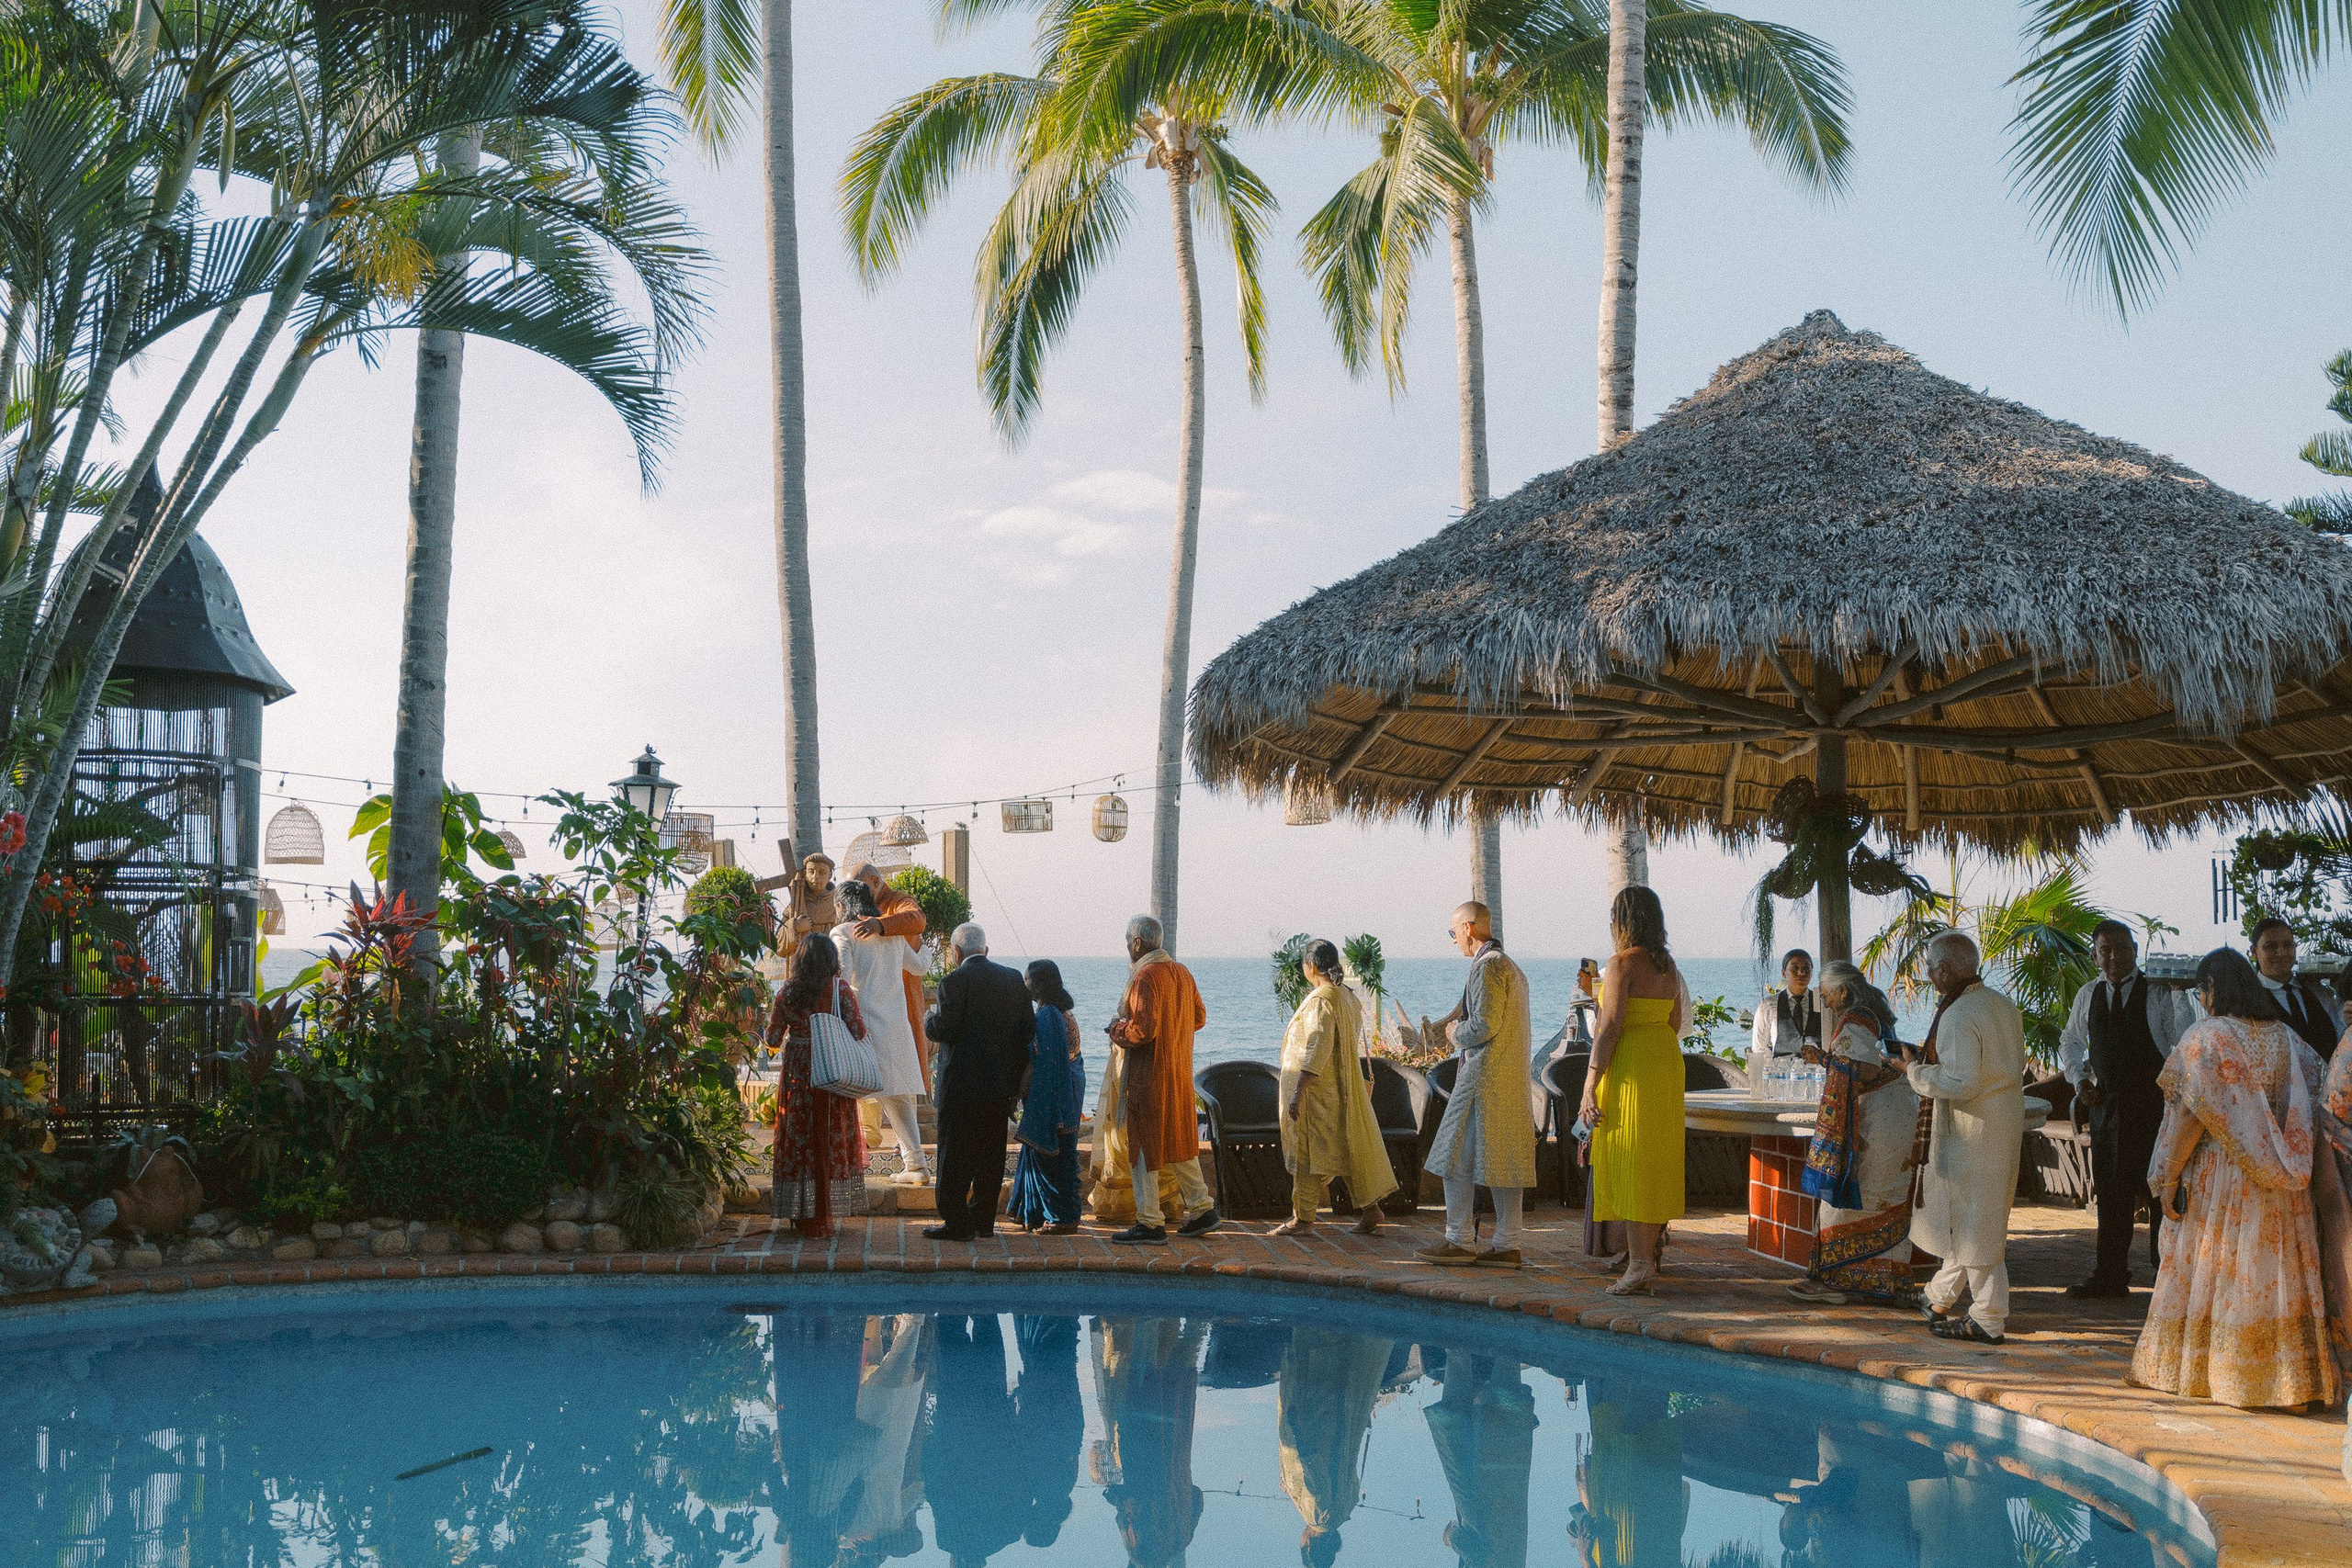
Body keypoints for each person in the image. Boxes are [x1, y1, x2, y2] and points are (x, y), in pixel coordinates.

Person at [2130, 947, 2339, 1409]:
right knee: (2273, 1275)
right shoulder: (2284, 1036)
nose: (2201, 1001)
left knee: (2221, 1269)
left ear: (2211, 989)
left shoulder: (2210, 1035)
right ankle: (2286, 1383)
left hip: (2221, 1175)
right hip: (2281, 1180)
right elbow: (2313, 1093)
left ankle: (2220, 1376)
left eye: (2201, 992)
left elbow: (2191, 1114)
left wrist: (2167, 1175)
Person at [1894, 931, 2026, 1346]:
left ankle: (1988, 1317)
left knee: (1977, 1226)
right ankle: (1937, 1297)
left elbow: (1961, 1081)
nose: (1929, 976)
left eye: (1931, 969)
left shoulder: (1958, 1013)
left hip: (1974, 1128)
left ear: (1946, 970)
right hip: (2002, 1121)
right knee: (1971, 1217)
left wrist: (1913, 1071)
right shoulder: (2002, 1004)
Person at [2056, 919, 2198, 1298]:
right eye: (2106, 950)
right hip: (2107, 1107)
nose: (2115, 956)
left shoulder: (2158, 991)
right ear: (2095, 955)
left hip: (2154, 1106)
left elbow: (2182, 1039)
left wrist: (2179, 995)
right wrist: (2080, 1081)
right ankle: (2110, 1276)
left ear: (2136, 950)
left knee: (2161, 1192)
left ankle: (2167, 1278)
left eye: (2123, 948)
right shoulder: (2088, 993)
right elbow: (2070, 1041)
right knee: (2111, 1194)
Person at [1576, 887, 1688, 1296]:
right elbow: (1674, 1022)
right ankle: (1646, 1256)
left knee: (1632, 1160)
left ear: (1622, 920)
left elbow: (1610, 1028)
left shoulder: (1621, 964)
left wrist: (1590, 1082)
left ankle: (1639, 1264)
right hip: (1665, 1064)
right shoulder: (1668, 966)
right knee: (1655, 1160)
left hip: (1633, 1069)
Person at [1789, 961, 1920, 1306]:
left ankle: (1836, 1282)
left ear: (1843, 991)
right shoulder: (1878, 1016)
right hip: (1899, 1113)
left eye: (1827, 995)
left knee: (1845, 1198)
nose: (1825, 1002)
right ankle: (1888, 1281)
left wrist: (1823, 1060)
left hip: (1876, 1119)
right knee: (1887, 1197)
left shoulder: (1855, 1019)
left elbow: (1865, 1069)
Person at [1419, 901, 1538, 1269]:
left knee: (1454, 1157)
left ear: (1468, 928)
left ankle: (1458, 1239)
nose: (1454, 940)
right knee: (1506, 1162)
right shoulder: (1511, 967)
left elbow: (1484, 1024)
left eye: (1453, 932)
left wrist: (1455, 1032)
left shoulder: (1487, 966)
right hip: (1509, 1078)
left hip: (1482, 1078)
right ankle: (1507, 1244)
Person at [1106, 915, 1217, 1245]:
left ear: (1137, 943)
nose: (1127, 948)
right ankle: (1202, 1207)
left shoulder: (1145, 976)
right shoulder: (1182, 972)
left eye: (1128, 942)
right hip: (1179, 1073)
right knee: (1180, 1143)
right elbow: (1199, 1017)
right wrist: (1174, 1029)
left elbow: (1141, 1031)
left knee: (1144, 1147)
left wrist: (1116, 1029)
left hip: (1150, 1077)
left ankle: (1150, 1221)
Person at [1275, 938, 1396, 1236]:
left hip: (1318, 1094)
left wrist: (1298, 1092)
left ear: (1311, 966)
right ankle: (1371, 1209)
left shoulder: (1321, 1000)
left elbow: (1319, 1046)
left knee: (1308, 1155)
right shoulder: (1345, 996)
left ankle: (1302, 1218)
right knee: (1347, 1150)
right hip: (1340, 1089)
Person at [922, 922, 1034, 1241]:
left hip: (960, 1087)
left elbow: (944, 1029)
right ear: (985, 950)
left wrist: (928, 1020)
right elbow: (1027, 1029)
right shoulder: (1013, 979)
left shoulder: (953, 982)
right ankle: (983, 1220)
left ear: (956, 953)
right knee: (990, 1155)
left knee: (954, 1155)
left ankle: (957, 1222)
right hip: (999, 1086)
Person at [765, 933, 869, 1237]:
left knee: (800, 1137)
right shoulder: (840, 989)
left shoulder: (787, 992)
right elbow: (859, 1031)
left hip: (798, 1073)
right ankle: (826, 1211)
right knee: (829, 1134)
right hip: (832, 1072)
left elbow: (772, 1039)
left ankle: (801, 1210)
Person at [835, 880, 933, 1188]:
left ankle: (842, 1168)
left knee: (845, 1096)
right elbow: (920, 967)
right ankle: (916, 1164)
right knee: (898, 1098)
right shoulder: (892, 936)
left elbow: (841, 978)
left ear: (841, 905)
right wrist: (924, 945)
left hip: (862, 1028)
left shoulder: (842, 933)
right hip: (896, 1028)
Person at [1092, 1315, 1207, 1568]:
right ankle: (1152, 1305)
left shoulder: (1181, 1540)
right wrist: (1114, 1496)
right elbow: (1131, 1504)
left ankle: (1204, 1305)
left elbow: (1197, 1497)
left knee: (1189, 1345)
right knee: (1145, 1359)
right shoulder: (1139, 1550)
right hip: (1143, 1442)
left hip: (1177, 1439)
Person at [1276, 1324, 1393, 1566]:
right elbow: (1313, 1467)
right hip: (1315, 1419)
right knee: (1318, 1346)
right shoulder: (1317, 1517)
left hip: (1337, 1418)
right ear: (1308, 1546)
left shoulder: (1346, 1508)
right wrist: (1296, 1428)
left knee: (1341, 1358)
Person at [922, 1314, 1028, 1566]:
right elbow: (936, 1485)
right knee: (950, 1328)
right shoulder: (948, 1537)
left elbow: (1021, 1475)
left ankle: (984, 1293)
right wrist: (929, 1443)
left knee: (987, 1325)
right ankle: (951, 1292)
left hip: (993, 1418)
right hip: (955, 1422)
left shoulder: (1009, 1531)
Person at [1426, 1349, 1537, 1568]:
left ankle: (1506, 1339)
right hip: (1482, 1498)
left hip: (1506, 1482)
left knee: (1503, 1403)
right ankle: (1460, 1343)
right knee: (1458, 1420)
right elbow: (1478, 1556)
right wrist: (1452, 1536)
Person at [1009, 960, 1087, 1234]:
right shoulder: (1058, 1012)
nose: (1024, 984)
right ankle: (1038, 1213)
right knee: (1056, 1151)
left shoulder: (1049, 1016)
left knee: (1053, 1153)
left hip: (1054, 1092)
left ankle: (1062, 1217)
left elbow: (1047, 1062)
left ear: (1040, 984)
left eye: (1027, 979)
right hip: (1066, 1087)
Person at [843, 859, 933, 1076]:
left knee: (907, 1068)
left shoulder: (898, 901)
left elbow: (917, 920)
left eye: (859, 887)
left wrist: (881, 925)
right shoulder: (855, 916)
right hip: (872, 1006)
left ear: (875, 882)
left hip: (902, 1000)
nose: (855, 893)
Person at [2249, 918, 2340, 1061]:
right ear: (2255, 952)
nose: (2281, 953)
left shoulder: (2317, 992)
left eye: (2288, 945)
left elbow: (2339, 1035)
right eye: (2271, 946)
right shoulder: (2248, 999)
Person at [776, 849, 841, 979]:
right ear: (805, 874)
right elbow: (777, 944)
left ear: (829, 875)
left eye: (822, 872)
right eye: (811, 871)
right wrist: (794, 927)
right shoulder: (796, 906)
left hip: (826, 971)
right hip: (801, 973)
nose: (815, 877)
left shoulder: (837, 906)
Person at [1750, 948, 1822, 1058]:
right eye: (1795, 968)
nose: (1801, 973)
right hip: (1781, 1067)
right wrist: (1772, 1066)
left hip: (1817, 1067)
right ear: (1784, 973)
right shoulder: (1769, 1005)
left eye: (1806, 968)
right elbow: (1759, 1047)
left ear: (1812, 972)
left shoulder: (1821, 1002)